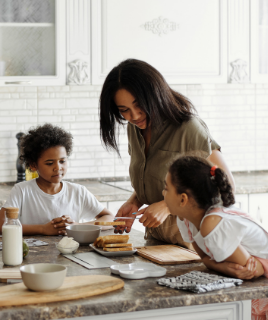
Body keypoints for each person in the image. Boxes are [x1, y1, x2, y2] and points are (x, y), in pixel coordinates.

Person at [99, 58, 235, 248]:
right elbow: (160, 179)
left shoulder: (188, 128)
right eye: (124, 110)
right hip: (157, 242)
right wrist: (135, 201)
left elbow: (224, 186)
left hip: (194, 247)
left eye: (139, 105)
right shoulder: (135, 128)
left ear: (154, 95)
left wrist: (166, 206)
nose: (134, 116)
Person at [163, 155, 268, 320]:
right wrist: (223, 267)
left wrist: (219, 266)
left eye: (166, 188)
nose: (163, 193)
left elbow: (249, 270)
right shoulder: (186, 220)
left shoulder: (212, 223)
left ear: (183, 199)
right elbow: (205, 259)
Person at [0, 124, 114, 236]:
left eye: (62, 161)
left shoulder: (78, 192)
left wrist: (77, 226)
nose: (58, 168)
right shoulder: (22, 190)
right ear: (34, 165)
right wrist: (43, 229)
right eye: (50, 163)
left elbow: (109, 218)